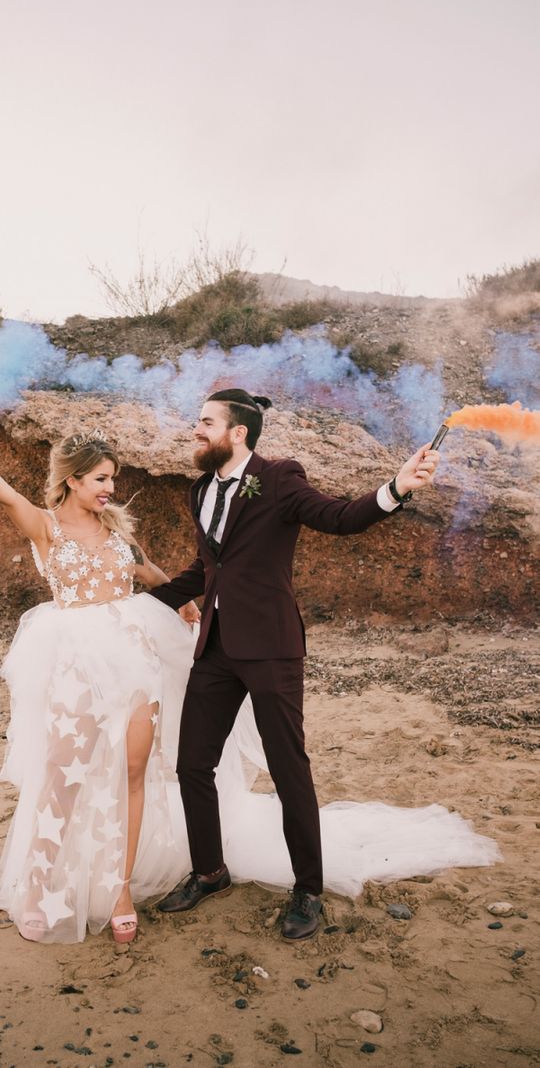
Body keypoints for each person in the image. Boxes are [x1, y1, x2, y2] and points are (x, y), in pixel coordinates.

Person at [149, 388, 473, 939]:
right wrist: (129, 603)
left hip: (272, 648)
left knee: (289, 768)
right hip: (216, 647)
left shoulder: (278, 478)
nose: (195, 430)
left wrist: (396, 489)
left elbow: (340, 517)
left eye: (205, 422)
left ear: (237, 433)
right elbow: (207, 570)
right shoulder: (200, 489)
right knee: (191, 764)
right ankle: (209, 871)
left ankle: (307, 890)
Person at [0, 422, 199, 944]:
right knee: (63, 776)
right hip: (77, 664)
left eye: (112, 480)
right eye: (101, 479)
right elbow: (4, 492)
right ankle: (37, 885)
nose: (110, 489)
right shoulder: (45, 527)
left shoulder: (119, 532)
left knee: (134, 771)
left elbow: (153, 575)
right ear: (73, 480)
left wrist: (183, 600)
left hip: (135, 663)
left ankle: (119, 888)